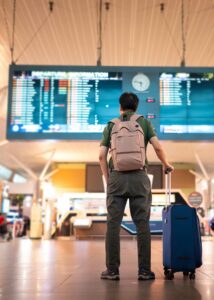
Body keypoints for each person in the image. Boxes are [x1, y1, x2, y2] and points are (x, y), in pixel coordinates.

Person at [99, 92, 174, 281]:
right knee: (142, 224)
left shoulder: (111, 125)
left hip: (116, 177)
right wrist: (165, 164)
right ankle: (144, 270)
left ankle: (112, 270)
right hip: (140, 177)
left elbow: (101, 156)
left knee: (113, 225)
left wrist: (109, 179)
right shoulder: (144, 123)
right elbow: (157, 147)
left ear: (120, 107)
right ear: (136, 106)